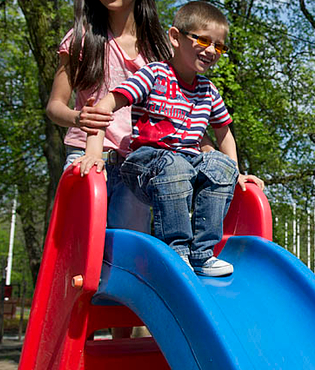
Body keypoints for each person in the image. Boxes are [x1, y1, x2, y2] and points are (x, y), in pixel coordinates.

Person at [78, 1, 263, 277]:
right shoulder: (154, 75)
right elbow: (106, 105)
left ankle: (202, 253)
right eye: (202, 40)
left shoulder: (208, 91)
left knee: (220, 166)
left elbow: (224, 134)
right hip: (145, 164)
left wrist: (235, 171)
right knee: (174, 165)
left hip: (186, 164)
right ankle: (176, 251)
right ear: (175, 37)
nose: (212, 50)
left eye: (219, 46)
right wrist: (94, 152)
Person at [46, 0, 182, 233]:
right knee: (81, 245)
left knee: (127, 252)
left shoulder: (161, 48)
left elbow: (179, 109)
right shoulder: (81, 38)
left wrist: (207, 147)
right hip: (85, 157)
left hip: (137, 165)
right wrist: (79, 117)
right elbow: (54, 106)